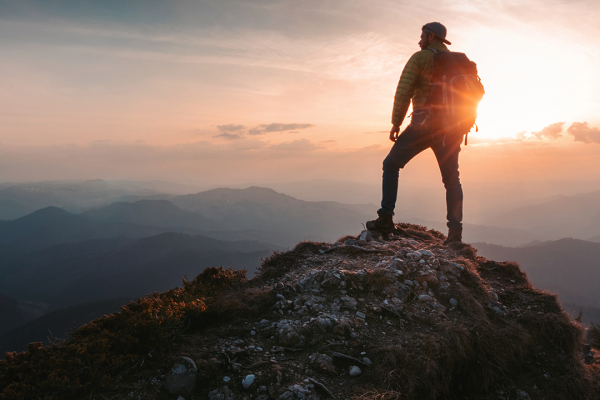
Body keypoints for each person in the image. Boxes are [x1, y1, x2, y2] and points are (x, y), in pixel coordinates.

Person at [366, 22, 464, 244]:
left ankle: (386, 218)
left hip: (424, 124)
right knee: (451, 179)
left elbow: (403, 92)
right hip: (452, 129)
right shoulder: (460, 61)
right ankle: (455, 233)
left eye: (421, 36)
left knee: (391, 165)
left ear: (430, 37)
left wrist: (396, 123)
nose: (419, 41)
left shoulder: (419, 58)